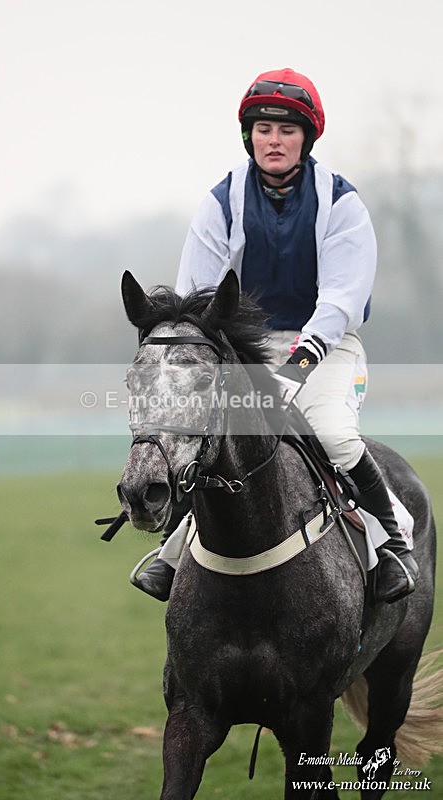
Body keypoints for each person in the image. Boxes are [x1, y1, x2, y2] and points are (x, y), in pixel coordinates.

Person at [133, 67, 418, 604]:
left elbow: (342, 299)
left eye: (287, 130)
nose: (274, 140)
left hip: (328, 346)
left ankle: (394, 543)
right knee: (209, 441)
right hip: (245, 349)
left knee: (332, 434)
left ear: (306, 138)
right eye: (264, 129)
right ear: (250, 136)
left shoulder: (341, 201)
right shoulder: (221, 201)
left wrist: (297, 367)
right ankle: (172, 554)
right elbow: (198, 294)